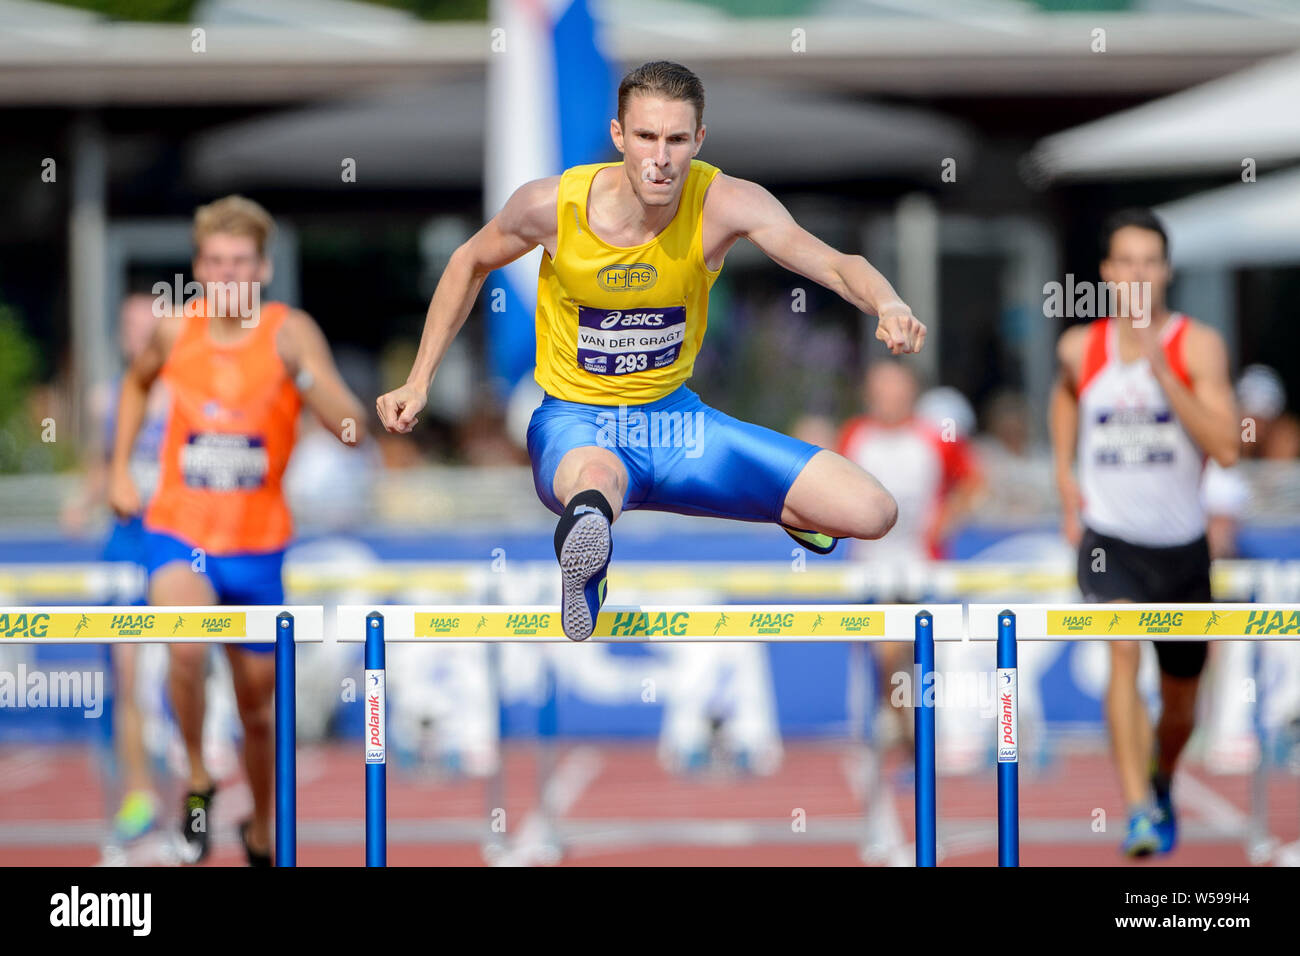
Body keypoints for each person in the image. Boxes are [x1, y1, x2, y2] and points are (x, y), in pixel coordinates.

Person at [377, 60, 924, 641]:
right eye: (645, 137)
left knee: (873, 512)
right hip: (577, 424)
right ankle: (588, 561)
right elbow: (468, 262)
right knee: (596, 482)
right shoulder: (551, 207)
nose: (660, 158)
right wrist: (420, 379)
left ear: (699, 141)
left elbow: (836, 264)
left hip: (679, 427)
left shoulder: (726, 203)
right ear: (619, 136)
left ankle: (787, 511)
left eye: (676, 140)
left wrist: (888, 304)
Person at [109, 196, 366, 865]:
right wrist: (118, 470)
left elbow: (348, 424)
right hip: (179, 533)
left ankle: (260, 830)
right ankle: (197, 776)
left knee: (258, 712)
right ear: (198, 268)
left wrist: (305, 376)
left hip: (257, 547)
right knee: (185, 648)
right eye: (216, 263)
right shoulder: (173, 331)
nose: (228, 276)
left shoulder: (289, 331)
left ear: (263, 267)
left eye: (241, 263)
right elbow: (135, 387)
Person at [1050, 208, 1239, 858]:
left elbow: (1228, 448)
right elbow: (1065, 395)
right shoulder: (1081, 346)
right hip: (1111, 541)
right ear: (1107, 273)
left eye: (1149, 263)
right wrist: (1064, 478)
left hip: (1182, 547)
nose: (1137, 275)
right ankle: (1135, 808)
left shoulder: (1197, 345)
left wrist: (1165, 376)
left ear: (1165, 271)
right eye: (1124, 262)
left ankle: (1161, 778)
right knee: (1122, 652)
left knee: (1182, 702)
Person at [837, 362, 984, 766]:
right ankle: (907, 740)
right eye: (880, 390)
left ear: (910, 393)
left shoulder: (934, 439)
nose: (889, 398)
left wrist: (943, 522)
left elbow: (974, 481)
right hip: (871, 569)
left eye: (896, 390)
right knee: (886, 657)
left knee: (919, 659)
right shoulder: (855, 436)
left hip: (922, 567)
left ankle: (922, 738)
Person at [64, 293, 171, 845]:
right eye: (128, 326)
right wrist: (84, 501)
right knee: (127, 676)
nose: (137, 335)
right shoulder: (107, 398)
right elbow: (100, 467)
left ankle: (195, 775)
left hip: (176, 550)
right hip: (123, 552)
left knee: (186, 668)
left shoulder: (180, 396)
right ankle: (138, 790)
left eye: (145, 326)